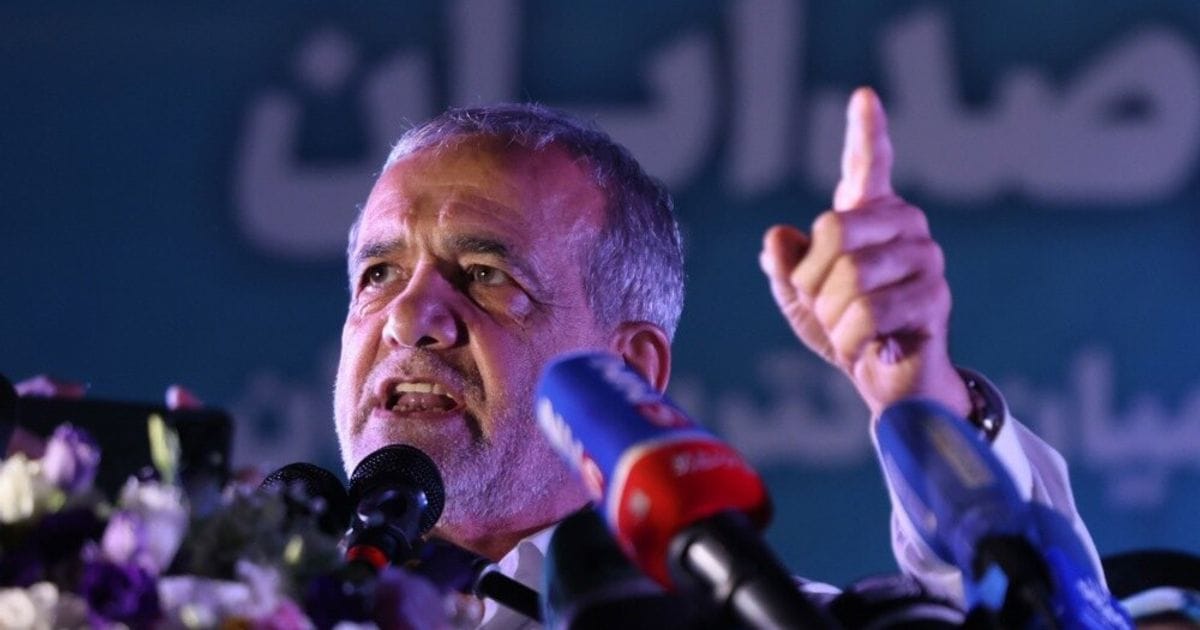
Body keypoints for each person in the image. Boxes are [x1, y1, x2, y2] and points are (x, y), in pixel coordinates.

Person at [332, 87, 1101, 626]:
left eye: (485, 275)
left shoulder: (755, 617)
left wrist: (923, 405)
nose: (408, 319)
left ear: (627, 371)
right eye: (379, 275)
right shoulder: (269, 594)